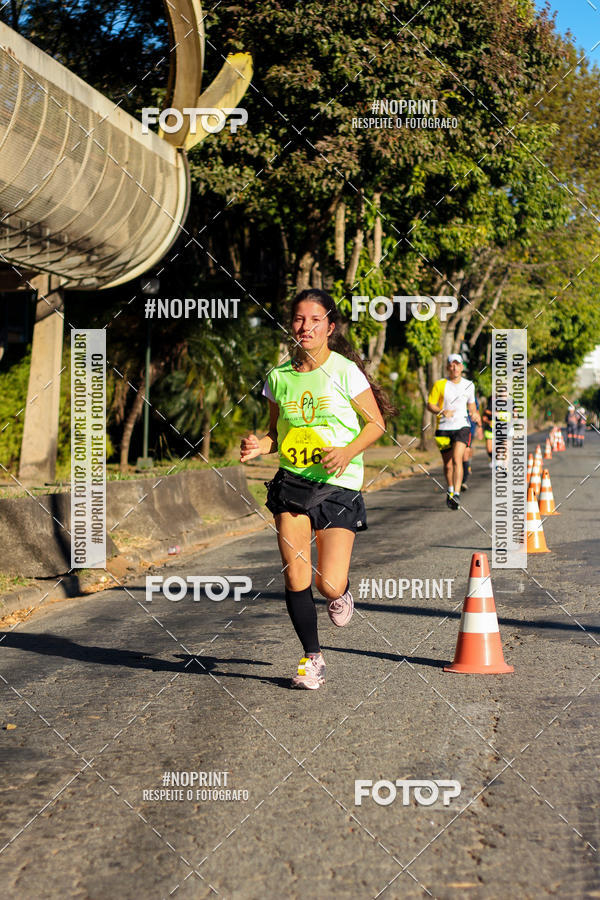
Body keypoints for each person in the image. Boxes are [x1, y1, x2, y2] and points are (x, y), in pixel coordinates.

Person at [239, 289, 396, 690]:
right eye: (298, 319)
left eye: (314, 320)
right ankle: (313, 658)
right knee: (296, 575)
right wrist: (260, 446)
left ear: (330, 326)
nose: (305, 327)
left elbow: (376, 424)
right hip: (292, 482)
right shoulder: (278, 377)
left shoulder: (345, 371)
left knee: (328, 583)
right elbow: (276, 434)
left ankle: (341, 593)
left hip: (338, 484)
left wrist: (346, 452)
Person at [427, 354, 481, 509]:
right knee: (448, 465)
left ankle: (456, 494)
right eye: (452, 365)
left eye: (457, 364)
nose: (455, 367)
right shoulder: (440, 384)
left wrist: (474, 413)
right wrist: (442, 411)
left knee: (458, 459)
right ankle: (450, 489)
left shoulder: (469, 385)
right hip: (443, 428)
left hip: (462, 427)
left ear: (462, 367)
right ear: (447, 367)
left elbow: (471, 405)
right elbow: (430, 404)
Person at [461, 395, 482, 490]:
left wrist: (480, 427)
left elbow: (476, 412)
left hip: (468, 429)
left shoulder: (471, 396)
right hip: (453, 429)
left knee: (466, 453)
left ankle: (463, 480)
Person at [481, 397, 494, 466]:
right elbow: (484, 418)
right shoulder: (490, 399)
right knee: (489, 449)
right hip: (489, 429)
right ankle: (493, 459)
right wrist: (488, 421)